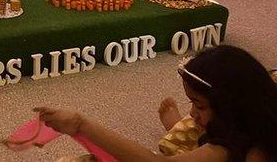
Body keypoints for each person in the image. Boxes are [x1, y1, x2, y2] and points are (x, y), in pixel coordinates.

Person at [34, 45, 277, 161]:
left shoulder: (231, 150)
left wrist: (81, 124)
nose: (193, 113)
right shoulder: (251, 114)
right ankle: (177, 128)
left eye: (200, 105)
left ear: (231, 106)